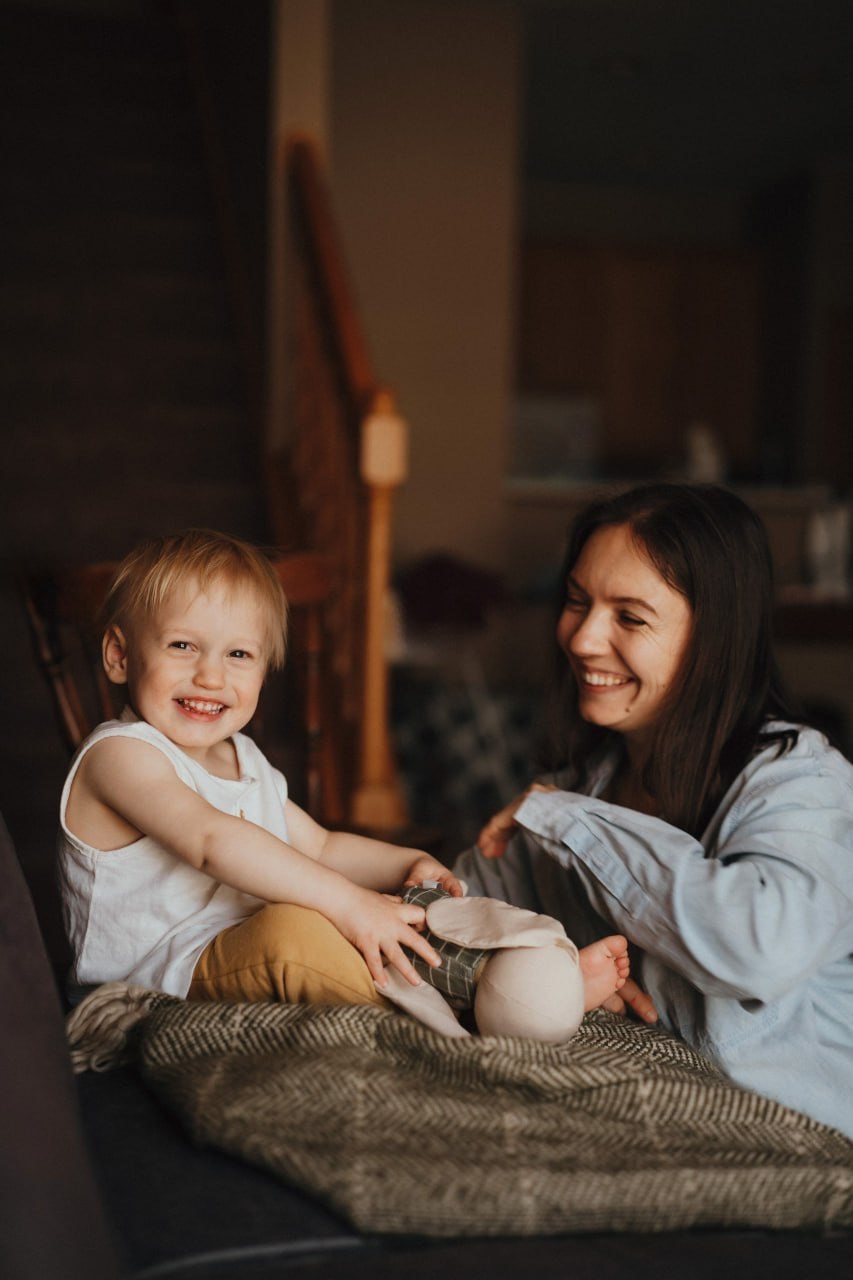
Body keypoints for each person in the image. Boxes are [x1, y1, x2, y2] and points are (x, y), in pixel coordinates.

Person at [59, 528, 638, 1028]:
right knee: (302, 932)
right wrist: (351, 904)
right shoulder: (119, 756)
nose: (210, 675)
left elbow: (321, 845)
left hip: (236, 949)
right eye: (182, 646)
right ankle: (481, 1014)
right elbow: (212, 843)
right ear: (119, 655)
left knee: (412, 912)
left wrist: (400, 866)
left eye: (239, 655)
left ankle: (536, 977)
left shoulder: (243, 758)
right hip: (157, 981)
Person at [456, 483, 853, 1137]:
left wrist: (569, 819)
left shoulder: (803, 784)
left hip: (807, 1152)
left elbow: (756, 947)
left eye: (629, 617)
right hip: (648, 1127)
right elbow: (438, 918)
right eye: (577, 602)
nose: (582, 638)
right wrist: (551, 973)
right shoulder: (576, 788)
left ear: (714, 638)